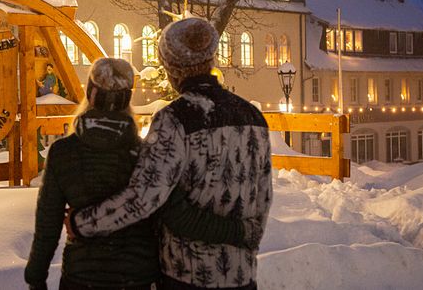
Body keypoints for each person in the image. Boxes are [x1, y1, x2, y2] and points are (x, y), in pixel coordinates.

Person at [68, 19, 273, 290]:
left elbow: (143, 197)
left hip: (185, 275)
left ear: (172, 69)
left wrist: (81, 223)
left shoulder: (174, 119)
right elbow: (263, 198)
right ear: (210, 59)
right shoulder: (253, 117)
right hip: (240, 276)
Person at [25, 57, 256, 290]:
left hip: (81, 277)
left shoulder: (63, 153)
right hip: (137, 277)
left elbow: (47, 225)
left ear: (90, 93)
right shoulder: (147, 154)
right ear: (128, 98)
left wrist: (35, 279)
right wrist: (240, 230)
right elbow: (177, 216)